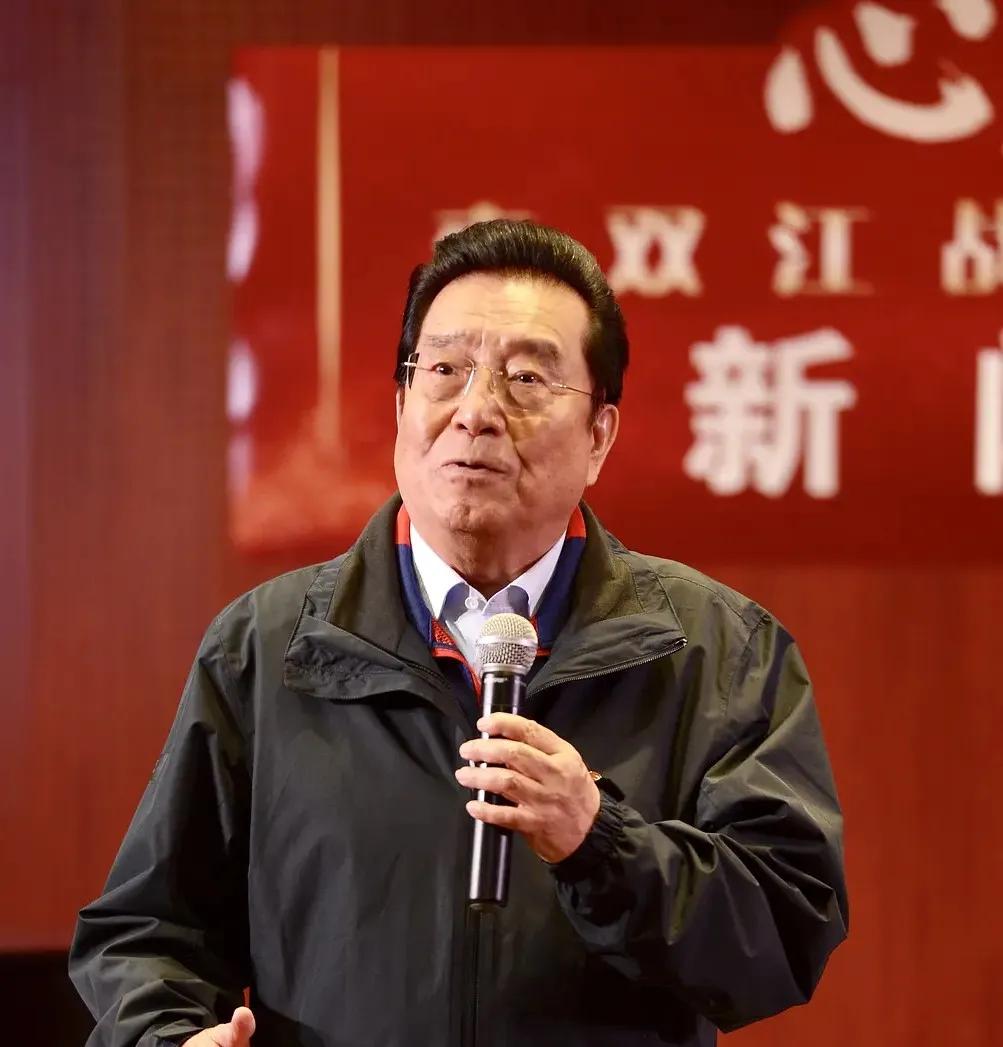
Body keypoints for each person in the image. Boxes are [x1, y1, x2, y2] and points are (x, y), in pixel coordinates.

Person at [70, 220, 848, 1047]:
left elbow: (784, 931)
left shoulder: (717, 650)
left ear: (599, 435)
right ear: (402, 405)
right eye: (444, 370)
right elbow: (146, 934)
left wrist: (599, 840)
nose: (475, 412)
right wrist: (168, 1037)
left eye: (525, 378)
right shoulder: (264, 649)